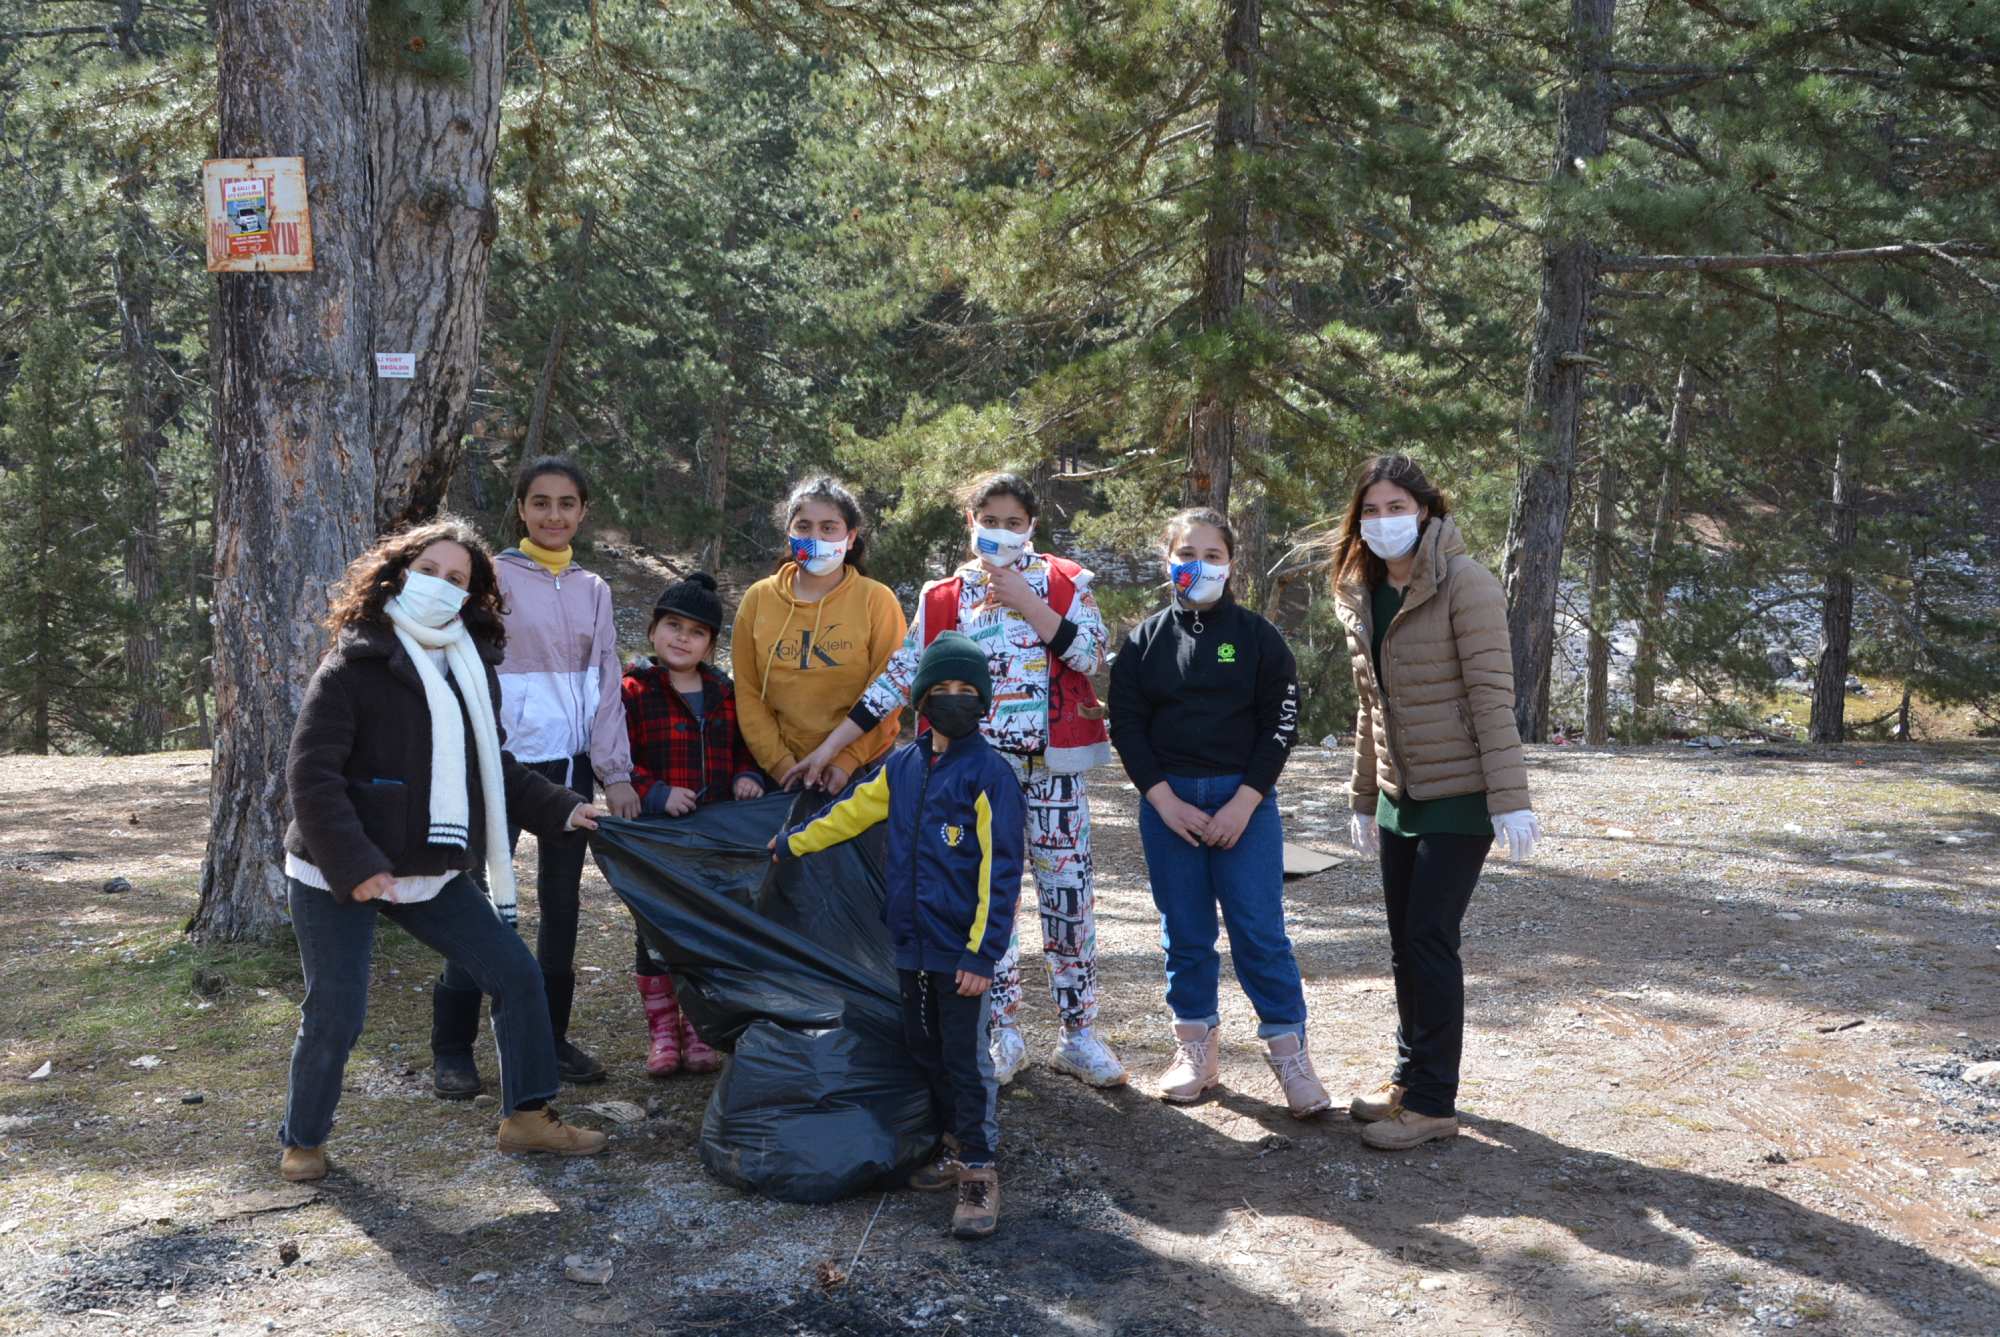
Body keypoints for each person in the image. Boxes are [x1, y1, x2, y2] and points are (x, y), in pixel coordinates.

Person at [279, 519, 610, 1183]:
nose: (441, 585)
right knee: (337, 1009)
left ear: (472, 595)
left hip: (429, 864)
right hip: (335, 867)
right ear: (398, 574)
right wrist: (358, 865)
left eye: (457, 579)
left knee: (515, 974)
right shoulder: (352, 663)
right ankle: (304, 1138)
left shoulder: (472, 668)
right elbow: (311, 778)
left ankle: (527, 1117)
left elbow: (494, 765)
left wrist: (562, 806)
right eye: (430, 570)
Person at [789, 472, 1125, 1088]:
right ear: (969, 523)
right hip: (974, 777)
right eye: (988, 520)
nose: (1000, 532)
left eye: (1013, 521)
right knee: (987, 904)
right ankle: (1001, 1030)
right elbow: (898, 679)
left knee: (1069, 902)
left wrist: (1028, 600)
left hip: (1053, 773)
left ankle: (1080, 1033)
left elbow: (1092, 657)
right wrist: (830, 747)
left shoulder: (1065, 582)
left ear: (1031, 527)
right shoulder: (944, 597)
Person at [772, 632, 1024, 1240]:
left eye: (969, 691)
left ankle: (980, 1170)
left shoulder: (990, 775)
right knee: (923, 1046)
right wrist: (793, 842)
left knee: (965, 1060)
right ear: (919, 699)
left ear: (984, 702)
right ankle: (949, 1143)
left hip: (961, 953)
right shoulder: (902, 767)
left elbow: (1003, 871)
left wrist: (982, 955)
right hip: (909, 946)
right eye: (943, 690)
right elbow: (852, 811)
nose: (955, 700)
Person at [1332, 455, 1542, 1150]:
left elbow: (1490, 694)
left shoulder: (1466, 583)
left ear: (1424, 509)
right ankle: (1408, 1076)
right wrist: (1365, 795)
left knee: (1430, 937)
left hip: (1460, 793)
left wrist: (1508, 797)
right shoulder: (1361, 588)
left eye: (1397, 506)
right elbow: (1371, 707)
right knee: (1402, 945)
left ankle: (1433, 1104)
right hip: (1401, 792)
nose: (1383, 519)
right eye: (1372, 508)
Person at [1107, 508, 1330, 1118]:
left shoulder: (1258, 636)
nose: (1197, 566)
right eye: (1186, 554)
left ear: (1231, 564)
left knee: (1259, 931)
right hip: (1169, 805)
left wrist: (1245, 801)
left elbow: (1279, 722)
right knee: (1186, 933)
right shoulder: (1144, 641)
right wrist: (1163, 799)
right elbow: (1126, 726)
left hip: (1245, 804)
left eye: (1211, 555)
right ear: (1166, 560)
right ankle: (1195, 1053)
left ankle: (1290, 1055)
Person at [431, 456, 638, 1098]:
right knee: (472, 902)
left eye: (567, 503)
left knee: (562, 907)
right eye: (541, 502)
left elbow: (606, 684)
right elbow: (463, 671)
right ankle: (454, 1049)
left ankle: (551, 1035)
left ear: (583, 512)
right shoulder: (491, 578)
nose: (554, 515)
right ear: (521, 508)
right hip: (498, 767)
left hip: (569, 770)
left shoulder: (594, 589)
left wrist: (615, 773)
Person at [622, 571, 765, 1076]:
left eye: (697, 632)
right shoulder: (633, 688)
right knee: (655, 931)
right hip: (658, 837)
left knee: (707, 927)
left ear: (710, 644)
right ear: (653, 630)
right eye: (673, 625)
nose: (683, 638)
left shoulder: (724, 692)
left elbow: (746, 745)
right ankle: (662, 1033)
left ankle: (698, 1028)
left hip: (715, 833)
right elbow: (617, 759)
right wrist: (655, 792)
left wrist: (747, 775)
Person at [732, 476, 906, 796]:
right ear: (789, 533)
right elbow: (748, 693)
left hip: (863, 769)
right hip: (781, 775)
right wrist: (782, 765)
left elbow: (890, 691)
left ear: (850, 537)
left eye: (828, 528)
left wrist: (845, 760)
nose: (815, 537)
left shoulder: (877, 600)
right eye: (804, 527)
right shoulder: (757, 600)